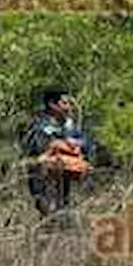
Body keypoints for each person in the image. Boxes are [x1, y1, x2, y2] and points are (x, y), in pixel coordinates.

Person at [22, 89, 94, 218]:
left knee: (63, 210)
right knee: (49, 212)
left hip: (64, 177)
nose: (69, 107)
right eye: (64, 103)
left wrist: (76, 145)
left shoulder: (69, 125)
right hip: (44, 180)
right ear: (52, 105)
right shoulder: (39, 125)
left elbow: (88, 144)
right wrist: (59, 145)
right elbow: (36, 150)